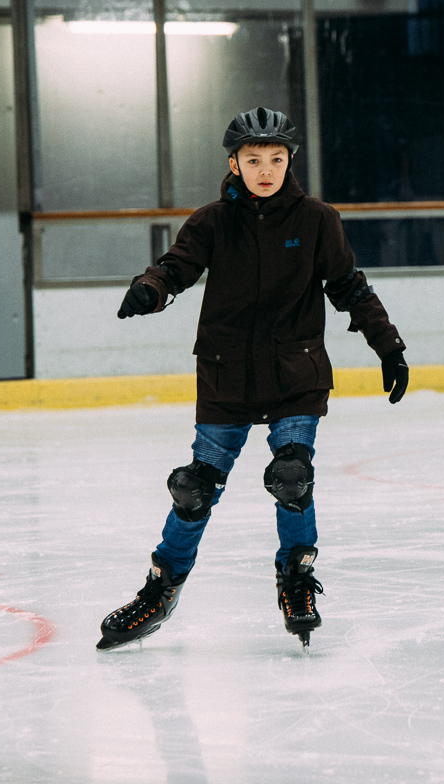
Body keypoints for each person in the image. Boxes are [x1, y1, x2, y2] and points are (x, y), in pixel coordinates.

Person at [96, 107, 408, 651]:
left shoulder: (317, 220)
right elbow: (177, 266)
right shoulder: (213, 221)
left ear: (290, 162)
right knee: (194, 491)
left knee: (293, 477)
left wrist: (389, 347)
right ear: (234, 163)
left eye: (277, 159)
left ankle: (296, 582)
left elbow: (350, 288)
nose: (266, 170)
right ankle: (160, 588)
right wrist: (151, 288)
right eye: (254, 160)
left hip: (295, 373)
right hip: (227, 374)